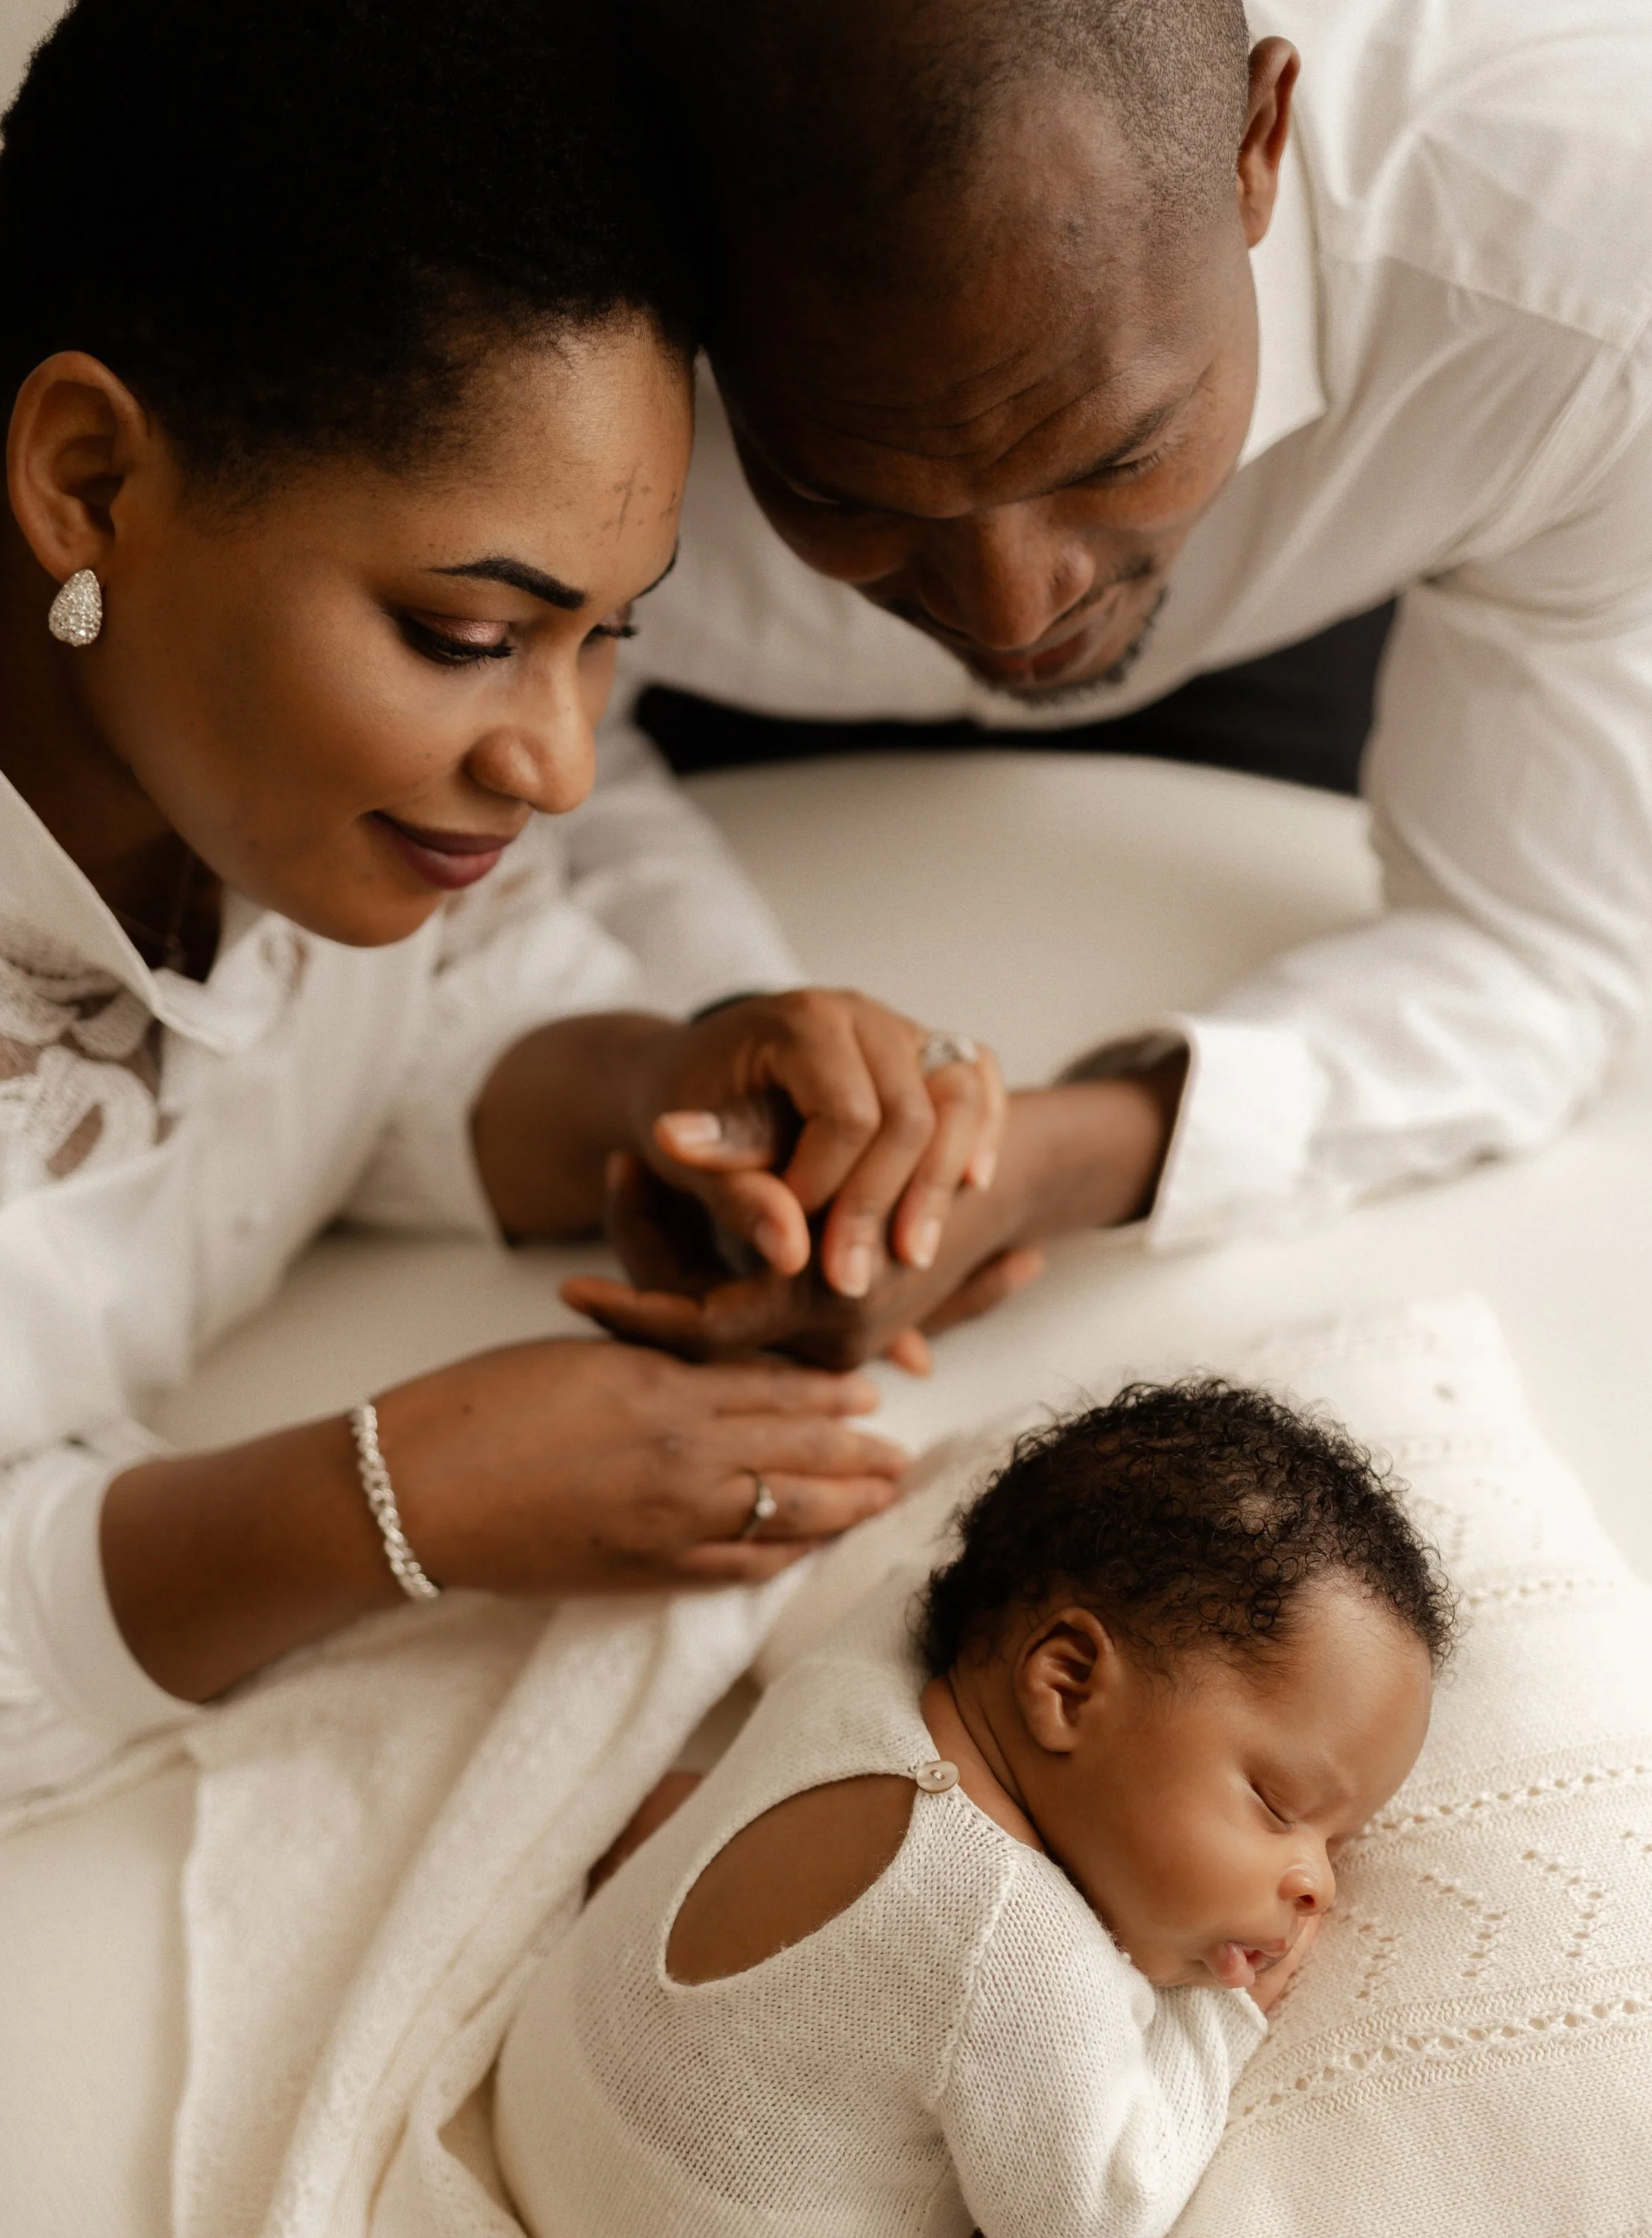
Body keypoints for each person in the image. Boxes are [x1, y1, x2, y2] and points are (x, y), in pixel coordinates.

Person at [0, 0, 1014, 1821]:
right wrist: (399, 1497)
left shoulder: (227, 629)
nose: (555, 763)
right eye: (468, 640)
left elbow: (376, 1032)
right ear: (84, 483)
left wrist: (667, 1084)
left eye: (606, 634)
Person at [559, 0, 1652, 1370]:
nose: (1014, 616)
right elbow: (476, 760)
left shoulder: (1589, 289)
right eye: (842, 485)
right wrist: (713, 1026)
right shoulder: (507, 293)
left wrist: (1042, 1161)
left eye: (1112, 451)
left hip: (1320, 640)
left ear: (1259, 145)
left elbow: (1539, 951)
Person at [494, 1381, 1449, 2238]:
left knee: (694, 1800)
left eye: (1340, 1840)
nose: (1317, 1882)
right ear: (1067, 1684)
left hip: (547, 2084)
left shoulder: (872, 1647)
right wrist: (1213, 2019)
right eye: (1278, 1803)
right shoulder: (1016, 1948)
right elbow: (1094, 2225)